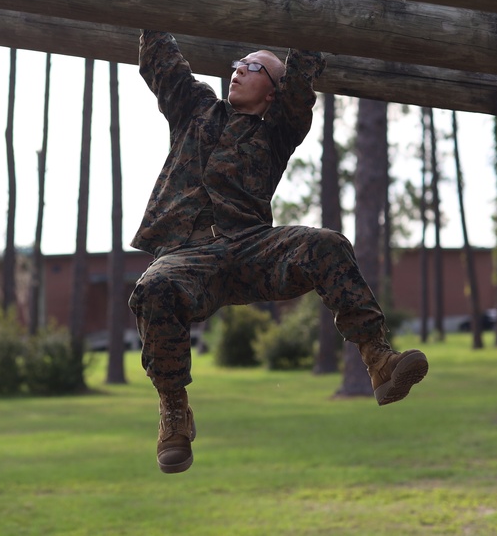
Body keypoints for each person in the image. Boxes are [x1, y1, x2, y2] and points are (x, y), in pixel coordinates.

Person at [128, 30, 428, 475]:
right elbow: (160, 54)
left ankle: (378, 360)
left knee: (325, 245)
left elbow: (302, 70)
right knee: (153, 287)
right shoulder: (196, 109)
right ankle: (174, 411)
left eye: (252, 67)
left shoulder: (277, 132)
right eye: (237, 63)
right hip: (185, 255)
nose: (238, 70)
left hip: (249, 249)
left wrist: (303, 3)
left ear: (272, 92)